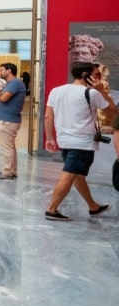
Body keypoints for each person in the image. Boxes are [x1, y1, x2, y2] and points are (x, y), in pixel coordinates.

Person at [43, 61, 116, 220]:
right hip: (82, 143)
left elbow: (48, 116)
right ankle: (52, 209)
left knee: (76, 175)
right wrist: (102, 91)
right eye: (96, 74)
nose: (99, 78)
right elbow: (113, 111)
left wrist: (49, 138)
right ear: (86, 75)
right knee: (69, 174)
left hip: (65, 141)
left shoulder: (56, 90)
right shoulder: (92, 93)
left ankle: (93, 206)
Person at [0, 62, 26, 179]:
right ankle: (12, 171)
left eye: (1, 70)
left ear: (9, 71)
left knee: (7, 147)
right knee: (9, 147)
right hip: (7, 119)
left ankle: (8, 172)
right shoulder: (9, 84)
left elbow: (3, 99)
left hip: (8, 120)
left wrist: (0, 97)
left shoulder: (15, 83)